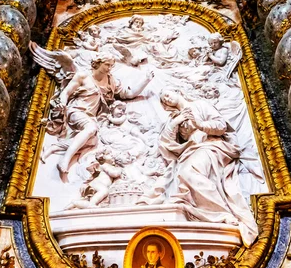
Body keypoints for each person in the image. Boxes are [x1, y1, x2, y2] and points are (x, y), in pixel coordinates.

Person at [138, 88, 258, 247]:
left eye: (167, 94)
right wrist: (176, 122)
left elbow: (221, 125)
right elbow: (166, 143)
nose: (166, 99)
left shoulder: (199, 105)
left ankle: (222, 213)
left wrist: (201, 125)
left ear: (177, 91)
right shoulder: (175, 118)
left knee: (189, 172)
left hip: (211, 146)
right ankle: (212, 211)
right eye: (164, 100)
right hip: (191, 152)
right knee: (180, 173)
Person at [52, 52, 154, 181]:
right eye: (107, 64)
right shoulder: (83, 76)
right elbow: (66, 92)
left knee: (93, 141)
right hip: (77, 111)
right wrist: (62, 103)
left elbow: (128, 94)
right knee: (90, 129)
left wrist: (146, 80)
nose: (109, 68)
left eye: (111, 65)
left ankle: (61, 151)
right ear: (98, 63)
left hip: (92, 117)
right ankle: (65, 160)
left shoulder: (111, 81)